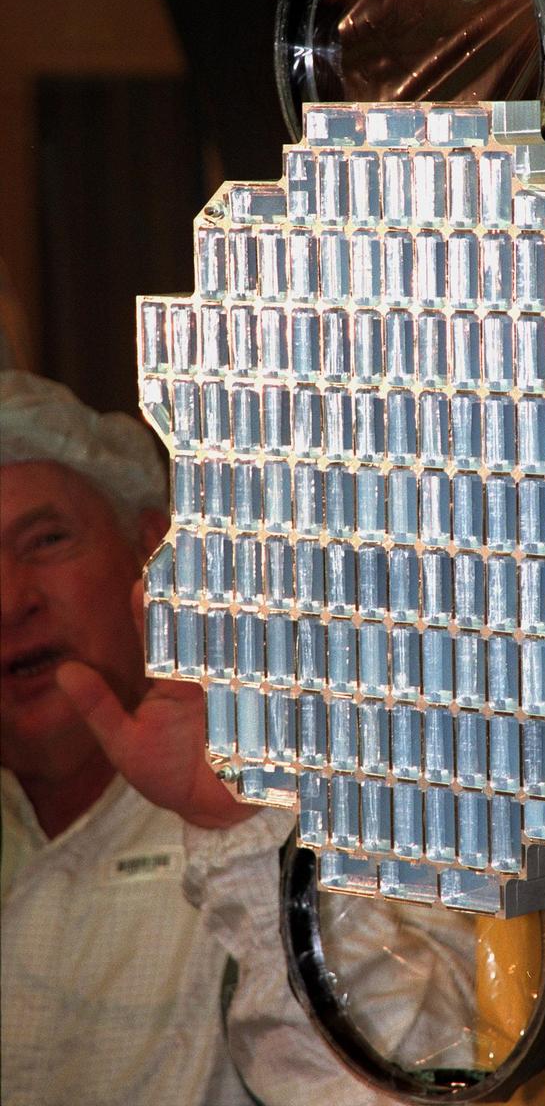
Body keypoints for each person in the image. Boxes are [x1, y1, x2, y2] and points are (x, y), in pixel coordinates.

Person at [0, 369, 417, 1106]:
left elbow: (392, 1084)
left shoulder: (297, 805)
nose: (8, 601)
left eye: (47, 540)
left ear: (151, 548)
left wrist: (242, 831)